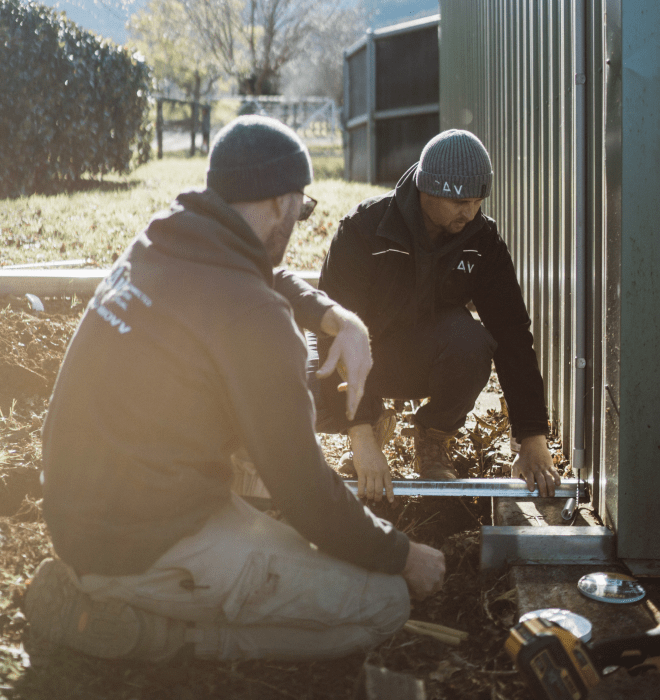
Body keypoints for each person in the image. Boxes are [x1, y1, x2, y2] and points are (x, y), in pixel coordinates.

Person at [25, 116, 446, 663]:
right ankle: (162, 637)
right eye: (304, 207)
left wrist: (336, 316)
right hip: (142, 543)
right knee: (383, 601)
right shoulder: (253, 317)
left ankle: (118, 586)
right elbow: (304, 492)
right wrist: (402, 555)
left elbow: (258, 270)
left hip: (79, 512)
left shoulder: (167, 236)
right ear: (279, 203)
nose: (300, 219)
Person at [317, 129, 561, 504]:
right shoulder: (364, 229)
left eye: (479, 200)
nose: (471, 212)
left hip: (424, 359)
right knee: (289, 393)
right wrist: (361, 433)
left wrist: (532, 436)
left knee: (472, 342)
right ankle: (373, 424)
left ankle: (431, 438)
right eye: (460, 201)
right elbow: (333, 331)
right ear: (426, 189)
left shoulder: (482, 241)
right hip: (361, 360)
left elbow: (513, 335)